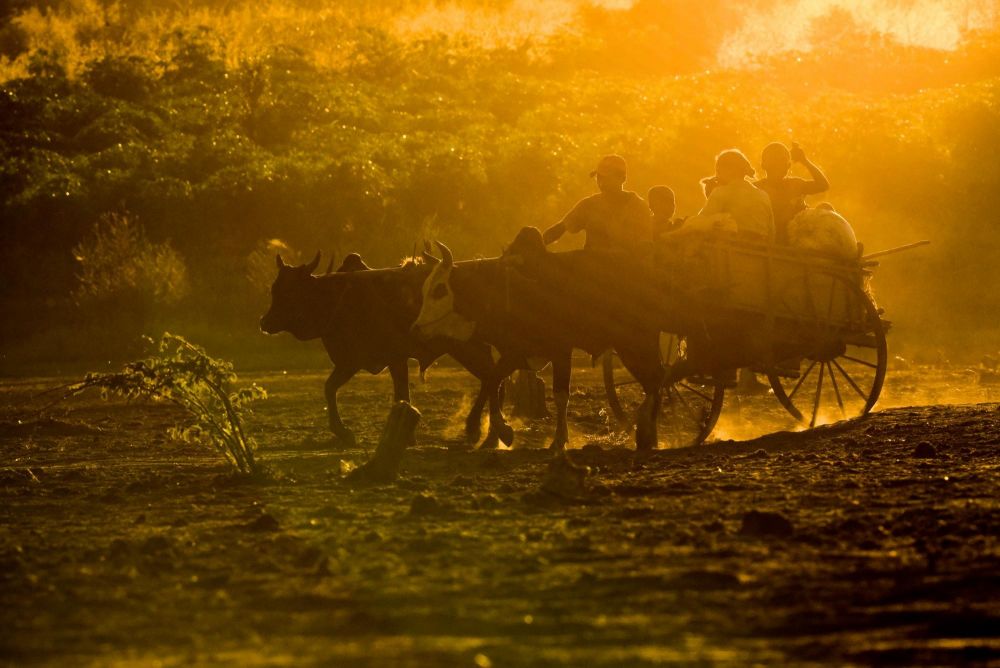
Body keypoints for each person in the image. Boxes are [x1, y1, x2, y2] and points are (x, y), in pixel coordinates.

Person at [543, 154, 652, 255]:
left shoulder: (638, 207)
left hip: (624, 268)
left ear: (622, 178)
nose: (601, 182)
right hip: (592, 267)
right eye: (599, 178)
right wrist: (539, 244)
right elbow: (561, 228)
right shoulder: (589, 205)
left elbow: (647, 245)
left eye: (607, 178)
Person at [676, 149, 774, 243]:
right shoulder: (764, 195)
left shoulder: (720, 192)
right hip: (760, 251)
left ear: (727, 170)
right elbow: (772, 232)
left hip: (729, 251)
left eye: (718, 171)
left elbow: (700, 222)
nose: (716, 175)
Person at [755, 142, 830, 244]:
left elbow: (823, 185)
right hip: (768, 241)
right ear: (763, 165)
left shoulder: (796, 185)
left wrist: (804, 161)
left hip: (795, 243)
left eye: (782, 161)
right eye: (774, 160)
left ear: (788, 166)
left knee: (826, 208)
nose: (778, 165)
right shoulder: (756, 188)